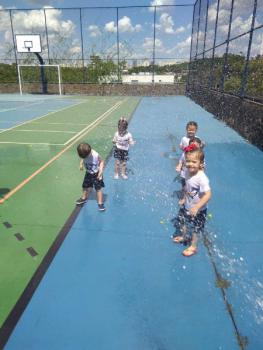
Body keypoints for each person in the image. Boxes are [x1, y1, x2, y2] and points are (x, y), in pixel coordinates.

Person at [172, 148, 211, 257]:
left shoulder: (202, 178)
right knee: (183, 222)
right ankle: (184, 237)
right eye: (188, 161)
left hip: (199, 210)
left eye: (194, 162)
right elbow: (187, 188)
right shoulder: (187, 173)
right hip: (188, 205)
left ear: (200, 163)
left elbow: (208, 194)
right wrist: (184, 199)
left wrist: (197, 207)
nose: (190, 164)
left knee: (195, 229)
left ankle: (193, 246)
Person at [76, 143, 105, 211]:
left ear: (89, 153)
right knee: (85, 186)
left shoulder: (95, 155)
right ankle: (84, 198)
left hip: (97, 174)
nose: (84, 158)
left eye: (85, 157)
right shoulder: (85, 154)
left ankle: (100, 203)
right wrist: (81, 164)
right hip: (88, 173)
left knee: (98, 189)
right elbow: (83, 159)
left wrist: (100, 172)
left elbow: (102, 162)